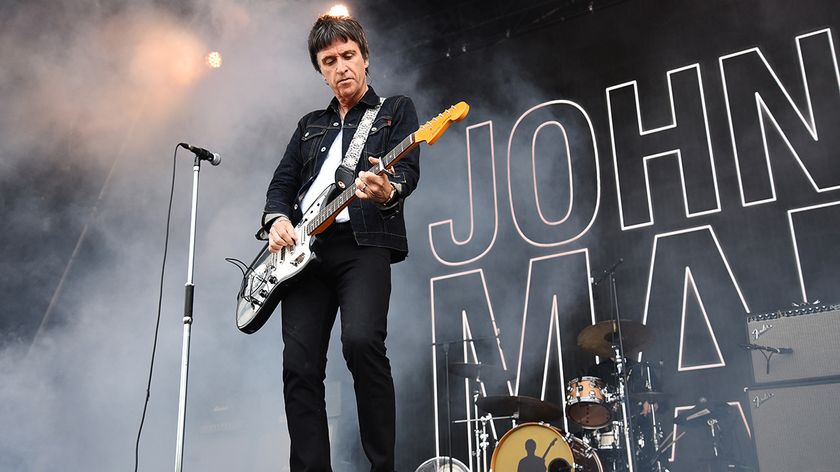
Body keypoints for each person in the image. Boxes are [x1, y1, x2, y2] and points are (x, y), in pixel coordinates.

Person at [257, 12, 420, 472]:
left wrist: (387, 190)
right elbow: (282, 184)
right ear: (321, 71)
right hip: (303, 254)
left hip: (362, 245)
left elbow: (407, 174)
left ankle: (381, 466)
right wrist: (276, 220)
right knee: (299, 366)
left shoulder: (394, 110)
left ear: (365, 58)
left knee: (362, 343)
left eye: (348, 55)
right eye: (329, 61)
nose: (341, 66)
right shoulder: (309, 124)